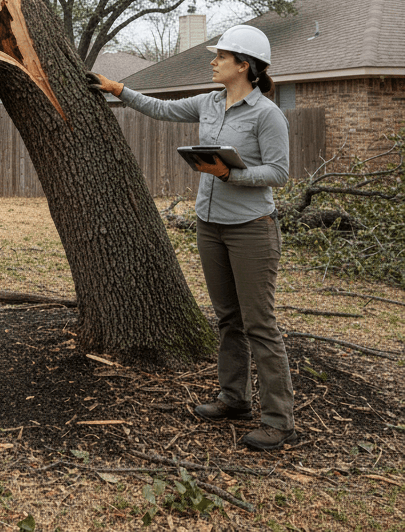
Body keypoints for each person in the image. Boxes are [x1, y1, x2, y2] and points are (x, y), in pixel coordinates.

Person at [92, 25, 296, 451]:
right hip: (210, 224)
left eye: (220, 57)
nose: (213, 62)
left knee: (260, 324)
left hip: (252, 230)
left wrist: (231, 174)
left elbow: (278, 173)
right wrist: (116, 88)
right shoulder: (208, 103)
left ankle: (279, 420)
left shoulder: (267, 114)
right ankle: (234, 400)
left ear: (244, 65)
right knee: (228, 320)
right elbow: (160, 109)